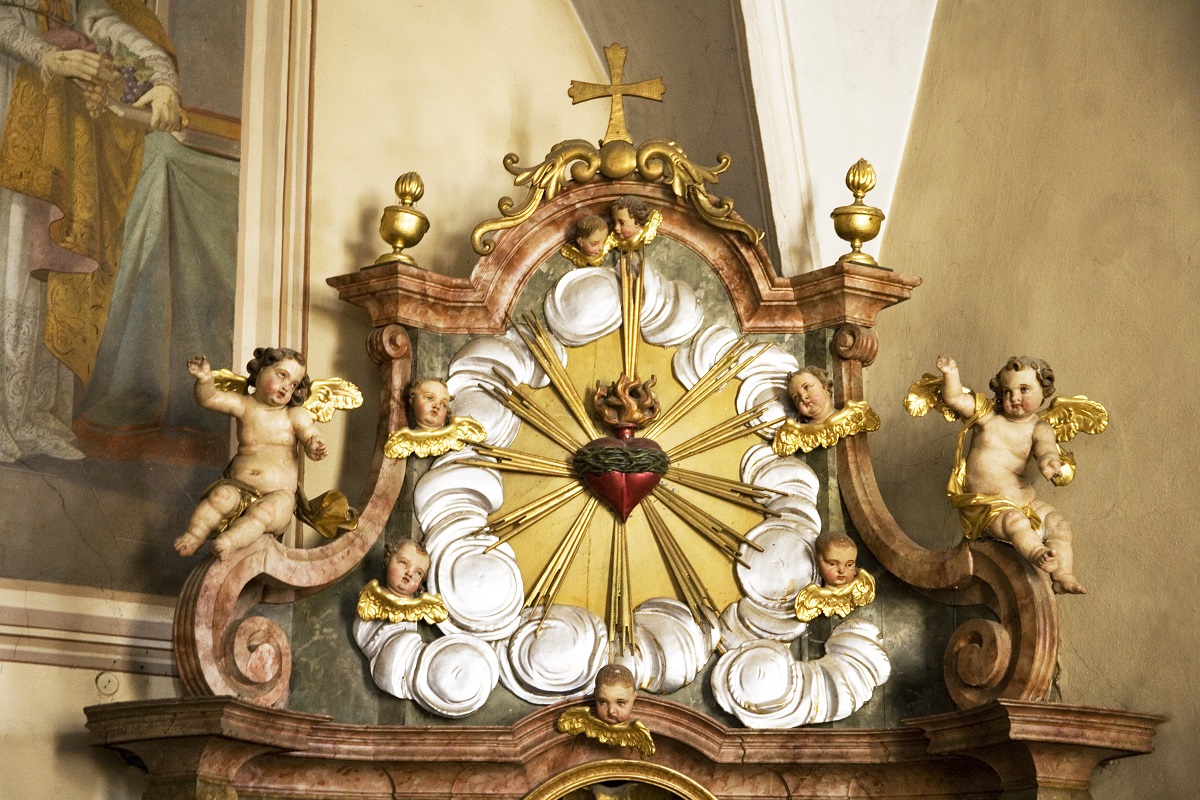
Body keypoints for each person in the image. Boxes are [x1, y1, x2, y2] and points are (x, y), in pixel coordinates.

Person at [0, 0, 182, 462]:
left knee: (35, 262)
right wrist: (44, 55)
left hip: (49, 124)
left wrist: (163, 80)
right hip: (7, 101)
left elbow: (99, 21)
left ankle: (28, 413)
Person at [935, 355, 1084, 594]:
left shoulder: (1039, 428)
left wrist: (1049, 462)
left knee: (1059, 525)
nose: (1013, 397)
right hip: (988, 506)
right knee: (1016, 522)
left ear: (1043, 391)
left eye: (1024, 389)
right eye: (1007, 391)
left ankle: (1063, 575)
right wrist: (951, 373)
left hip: (1025, 500)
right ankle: (1037, 554)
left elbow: (1046, 449)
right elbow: (954, 398)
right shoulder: (987, 417)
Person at [173, 348, 327, 561]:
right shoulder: (245, 406)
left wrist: (314, 446)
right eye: (282, 375)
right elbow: (210, 398)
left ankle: (229, 542)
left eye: (293, 384)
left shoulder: (294, 415)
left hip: (279, 495)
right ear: (261, 370)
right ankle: (195, 535)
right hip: (240, 487)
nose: (286, 386)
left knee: (264, 511)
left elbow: (310, 435)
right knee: (220, 497)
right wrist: (205, 379)